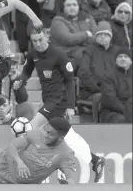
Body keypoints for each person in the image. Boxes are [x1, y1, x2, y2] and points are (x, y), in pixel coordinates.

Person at [14, 29, 105, 182]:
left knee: (31, 127)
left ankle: (26, 169)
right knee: (65, 137)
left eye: (40, 40)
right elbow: (27, 71)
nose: (38, 44)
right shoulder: (33, 54)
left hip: (59, 100)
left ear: (47, 37)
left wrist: (70, 105)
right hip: (47, 100)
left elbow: (70, 80)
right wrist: (21, 80)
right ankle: (94, 161)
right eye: (34, 41)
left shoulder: (59, 54)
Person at [100, 48, 132, 123]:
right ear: (116, 61)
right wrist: (128, 112)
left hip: (130, 109)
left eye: (126, 57)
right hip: (113, 112)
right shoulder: (108, 77)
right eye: (120, 56)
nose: (123, 59)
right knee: (122, 122)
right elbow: (110, 100)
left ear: (131, 61)